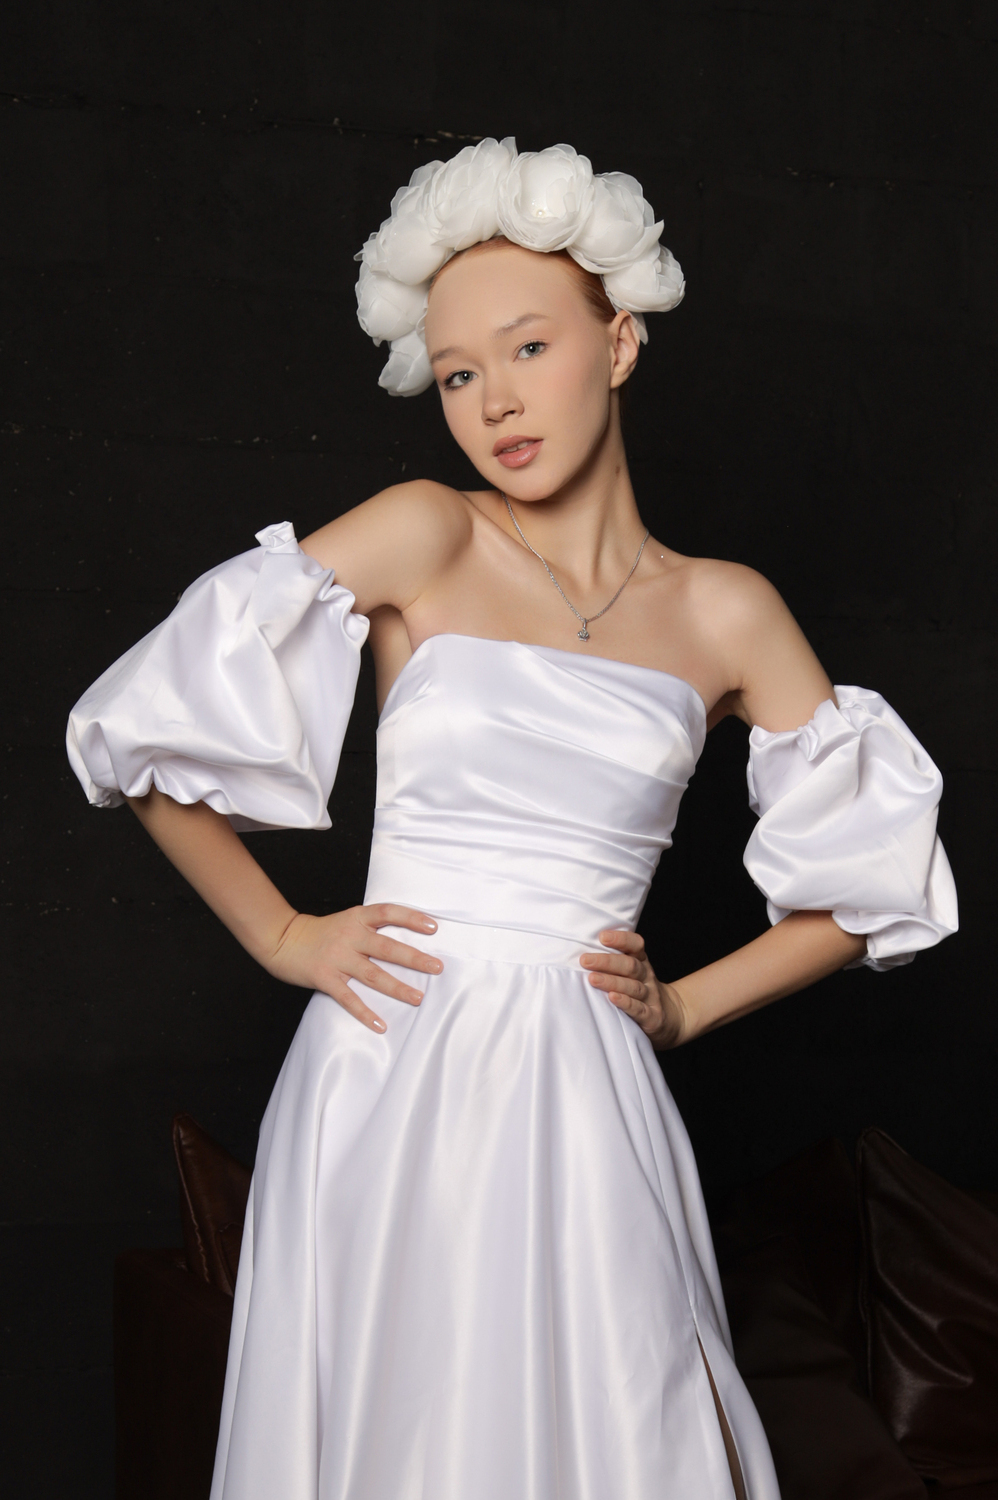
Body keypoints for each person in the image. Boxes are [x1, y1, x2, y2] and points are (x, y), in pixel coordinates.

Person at [67, 140, 957, 1500]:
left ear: (619, 342)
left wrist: (682, 1010)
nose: (492, 401)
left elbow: (874, 880)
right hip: (388, 1068)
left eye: (528, 347)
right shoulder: (427, 531)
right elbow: (141, 725)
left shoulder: (726, 610)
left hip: (586, 1085)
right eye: (457, 373)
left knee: (620, 1430)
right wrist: (285, 935)